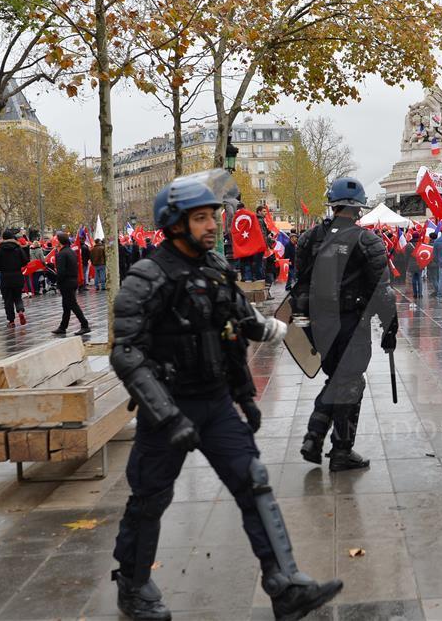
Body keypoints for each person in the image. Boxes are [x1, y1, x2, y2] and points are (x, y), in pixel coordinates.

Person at [110, 169, 341, 620]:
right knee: (149, 498)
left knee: (254, 482)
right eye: (201, 219)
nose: (213, 225)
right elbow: (126, 354)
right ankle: (133, 586)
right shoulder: (146, 276)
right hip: (167, 410)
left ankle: (284, 583)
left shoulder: (216, 269)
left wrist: (245, 395)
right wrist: (167, 416)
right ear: (174, 224)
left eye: (213, 216)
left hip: (215, 404)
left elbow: (238, 332)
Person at [293, 177, 398, 472]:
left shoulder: (308, 239)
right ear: (359, 209)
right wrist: (390, 330)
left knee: (337, 380)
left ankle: (315, 437)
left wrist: (303, 326)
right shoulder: (368, 241)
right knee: (350, 384)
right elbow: (382, 291)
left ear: (333, 205)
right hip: (351, 323)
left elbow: (299, 286)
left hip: (319, 325)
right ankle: (339, 450)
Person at [51, 233, 90, 336]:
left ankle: (85, 325)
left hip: (66, 283)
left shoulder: (61, 254)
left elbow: (61, 271)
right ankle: (63, 327)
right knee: (66, 306)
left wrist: (58, 282)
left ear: (59, 241)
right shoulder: (71, 251)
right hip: (73, 280)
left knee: (72, 304)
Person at [0, 230, 27, 328]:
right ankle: (20, 311)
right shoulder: (18, 248)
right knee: (17, 297)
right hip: (17, 275)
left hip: (5, 277)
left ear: (3, 238)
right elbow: (25, 261)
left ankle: (11, 321)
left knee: (7, 300)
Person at [427, 231, 440, 296]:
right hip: (439, 262)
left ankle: (437, 291)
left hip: (432, 263)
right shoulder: (439, 244)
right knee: (437, 277)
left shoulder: (429, 245)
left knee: (434, 278)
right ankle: (438, 290)